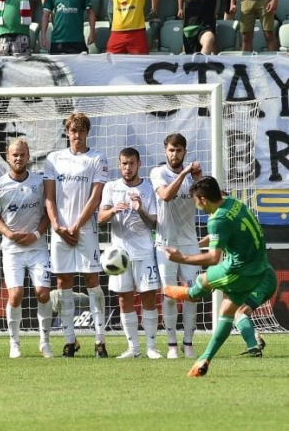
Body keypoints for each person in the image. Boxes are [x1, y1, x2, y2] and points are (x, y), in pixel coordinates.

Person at [164, 176, 273, 377]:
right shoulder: (234, 202)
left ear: (203, 199)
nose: (196, 205)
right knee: (226, 311)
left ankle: (188, 293)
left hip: (239, 271)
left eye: (196, 200)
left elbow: (214, 258)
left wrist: (181, 257)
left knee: (202, 280)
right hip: (261, 268)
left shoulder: (217, 220)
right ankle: (204, 359)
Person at [43, 112, 108, 358]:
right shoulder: (53, 159)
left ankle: (100, 340)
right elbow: (48, 196)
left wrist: (77, 225)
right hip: (60, 231)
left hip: (86, 230)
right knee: (63, 284)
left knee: (92, 282)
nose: (77, 135)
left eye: (81, 131)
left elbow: (96, 197)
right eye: (73, 130)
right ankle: (70, 340)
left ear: (87, 133)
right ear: (67, 132)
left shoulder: (97, 158)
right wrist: (58, 226)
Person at [0, 138, 52, 359]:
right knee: (15, 295)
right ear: (8, 156)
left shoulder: (39, 182)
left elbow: (48, 214)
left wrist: (35, 234)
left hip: (38, 247)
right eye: (14, 154)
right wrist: (9, 233)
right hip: (12, 249)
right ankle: (14, 343)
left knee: (43, 293)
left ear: (28, 156)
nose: (18, 158)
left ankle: (44, 342)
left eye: (22, 154)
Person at [98, 148, 161, 360]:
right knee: (124, 300)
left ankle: (151, 347)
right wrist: (113, 210)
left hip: (144, 253)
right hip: (119, 257)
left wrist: (140, 208)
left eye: (131, 163)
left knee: (149, 298)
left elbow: (154, 223)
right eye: (124, 163)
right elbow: (100, 218)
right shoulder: (111, 187)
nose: (127, 167)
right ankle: (133, 348)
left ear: (139, 164)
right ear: (119, 165)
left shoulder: (148, 188)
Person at [149, 133, 202, 359]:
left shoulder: (193, 177)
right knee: (170, 296)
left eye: (179, 150)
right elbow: (166, 195)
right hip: (166, 244)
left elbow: (205, 204)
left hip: (190, 244)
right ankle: (171, 345)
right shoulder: (158, 172)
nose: (175, 154)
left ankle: (187, 343)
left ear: (185, 152)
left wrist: (199, 180)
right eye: (171, 150)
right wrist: (184, 173)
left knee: (193, 294)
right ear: (165, 151)